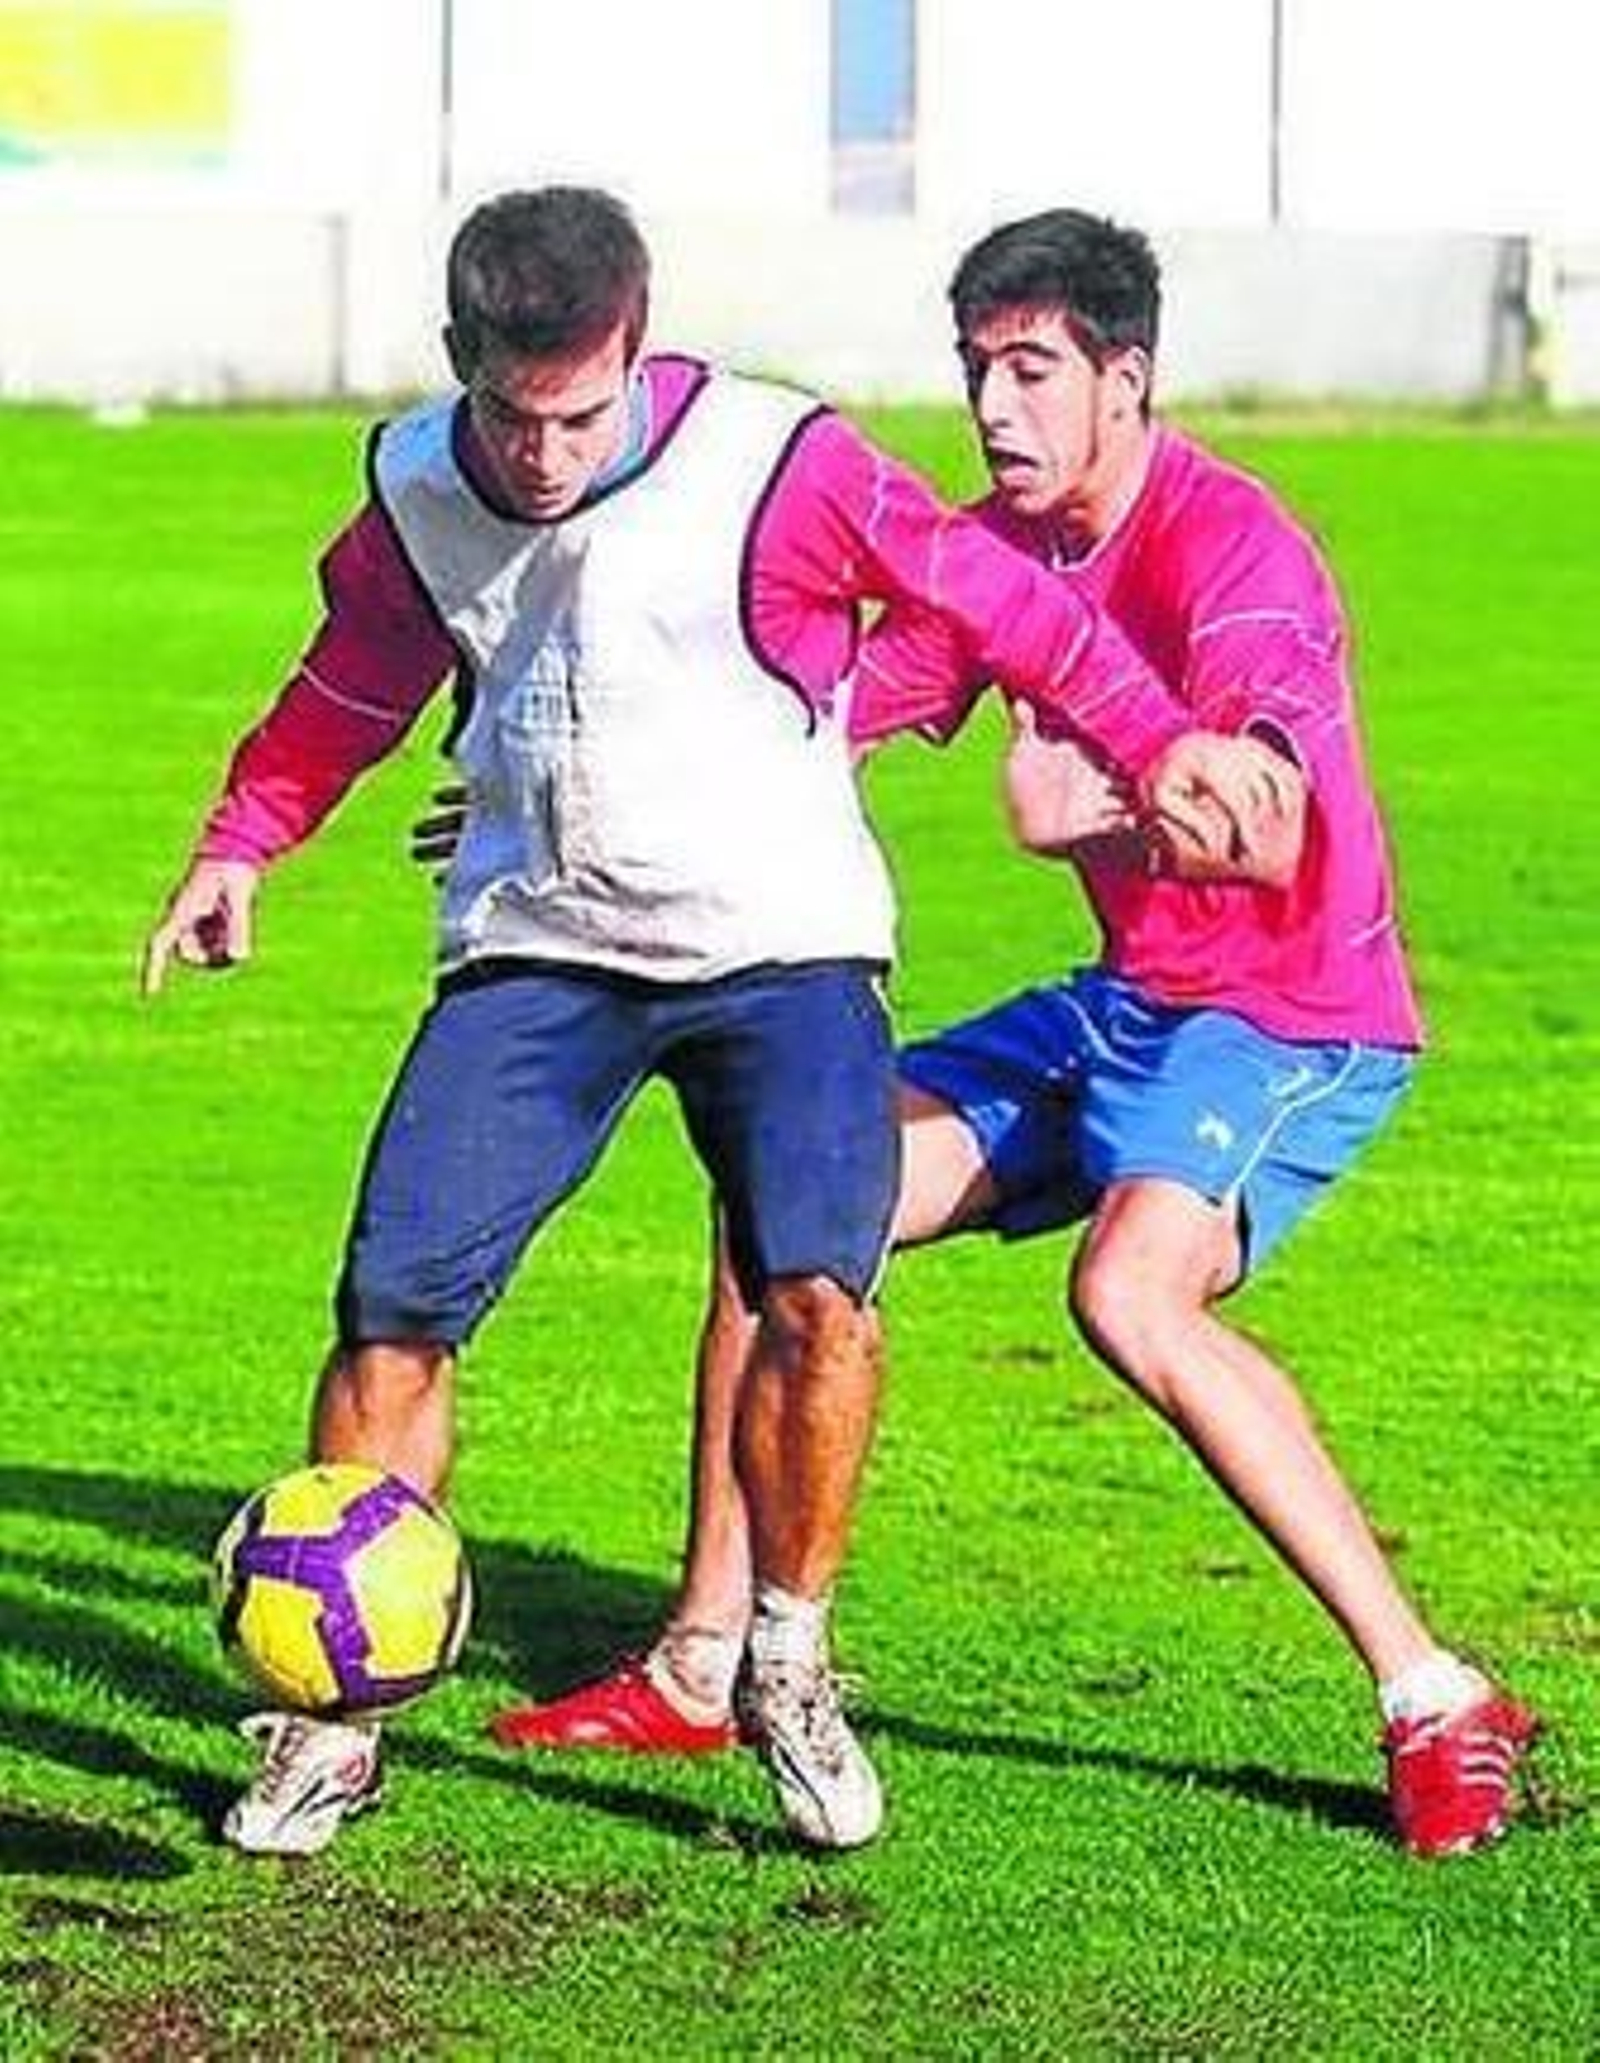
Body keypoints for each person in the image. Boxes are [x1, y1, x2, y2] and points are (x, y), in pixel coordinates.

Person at [142, 188, 1279, 1860]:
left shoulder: (780, 459)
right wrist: (240, 844)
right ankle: (331, 1721)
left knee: (818, 1297)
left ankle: (787, 1663)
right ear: (463, 363)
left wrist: (1158, 736)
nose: (546, 456)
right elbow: (347, 688)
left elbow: (1001, 600)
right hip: (538, 951)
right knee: (392, 1315)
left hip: (786, 950)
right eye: (516, 417)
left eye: (585, 414)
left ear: (640, 343)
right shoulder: (414, 493)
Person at [490, 207, 1539, 1860]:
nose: (995, 407)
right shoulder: (998, 546)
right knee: (791, 1200)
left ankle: (1436, 1694)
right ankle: (705, 1661)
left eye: (1034, 371)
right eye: (979, 369)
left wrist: (1097, 808)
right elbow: (811, 725)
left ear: (1128, 380)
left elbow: (1270, 828)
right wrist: (568, 796)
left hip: (1290, 1020)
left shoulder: (1237, 552)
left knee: (1128, 1291)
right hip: (1125, 1009)